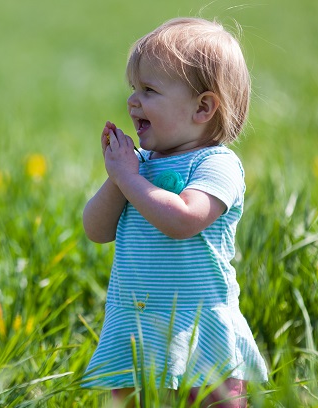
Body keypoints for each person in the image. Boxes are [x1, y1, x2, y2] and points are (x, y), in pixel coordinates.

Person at [81, 17, 268, 407]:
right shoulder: (138, 167)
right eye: (133, 89)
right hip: (138, 333)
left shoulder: (217, 165)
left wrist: (130, 179)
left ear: (203, 107)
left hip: (202, 334)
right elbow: (96, 229)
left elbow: (184, 219)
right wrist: (119, 177)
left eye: (149, 90)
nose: (133, 101)